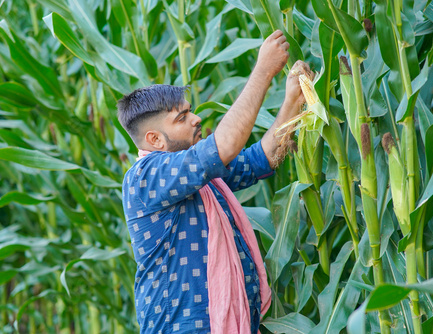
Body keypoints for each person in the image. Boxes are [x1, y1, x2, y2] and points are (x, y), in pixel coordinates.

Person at [117, 30, 307, 333]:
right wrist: (263, 71)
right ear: (154, 139)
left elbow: (263, 158)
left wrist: (293, 99)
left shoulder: (198, 179)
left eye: (190, 111)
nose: (195, 119)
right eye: (181, 118)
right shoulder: (146, 177)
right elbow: (225, 145)